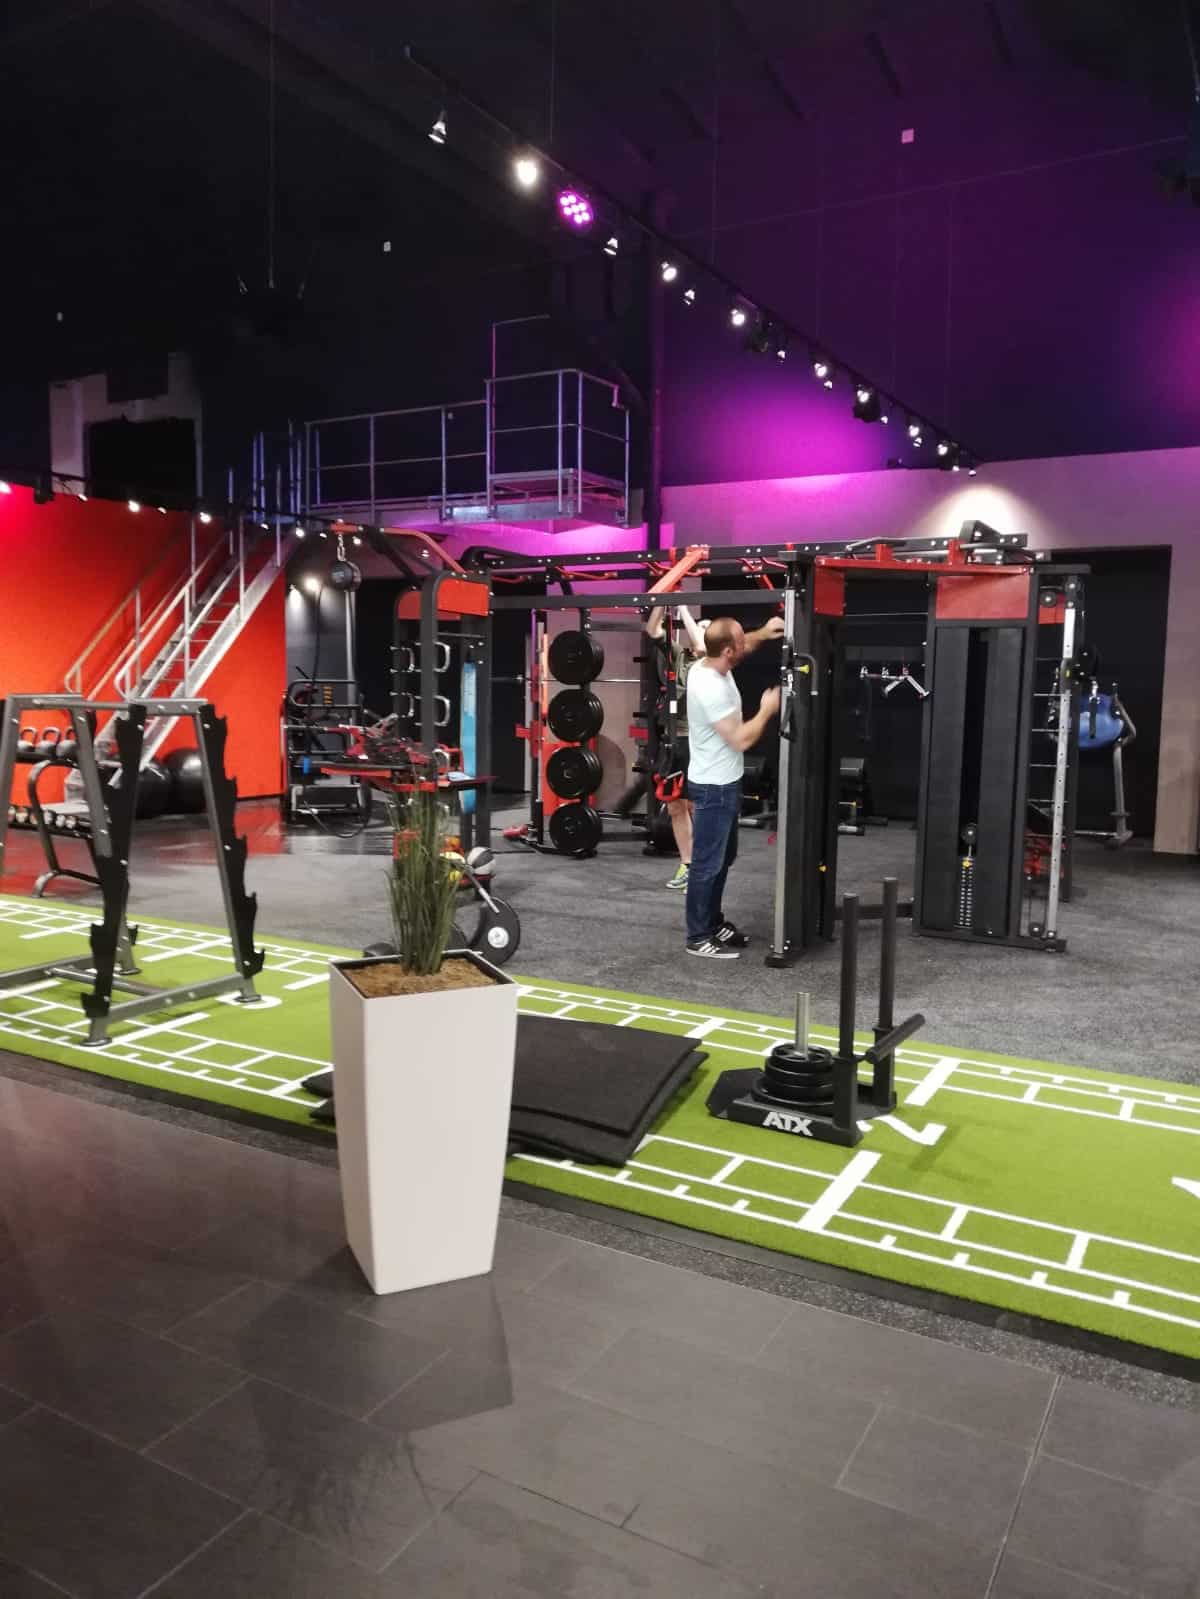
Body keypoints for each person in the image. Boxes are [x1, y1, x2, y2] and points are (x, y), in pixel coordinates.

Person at [683, 614, 783, 958]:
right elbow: (741, 739)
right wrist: (767, 710)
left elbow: (743, 644)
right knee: (707, 864)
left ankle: (712, 922)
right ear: (727, 651)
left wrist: (763, 632)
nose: (745, 645)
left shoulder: (708, 660)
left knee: (723, 859)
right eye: (740, 643)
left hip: (725, 783)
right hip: (714, 788)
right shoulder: (710, 687)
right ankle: (698, 936)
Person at [644, 604, 707, 889]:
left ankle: (702, 867)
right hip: (673, 740)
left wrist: (682, 607)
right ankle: (687, 864)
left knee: (694, 806)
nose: (699, 632)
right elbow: (652, 629)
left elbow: (701, 645)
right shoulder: (679, 655)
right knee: (674, 806)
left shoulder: (710, 662)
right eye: (699, 627)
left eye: (704, 629)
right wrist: (662, 601)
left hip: (697, 742)